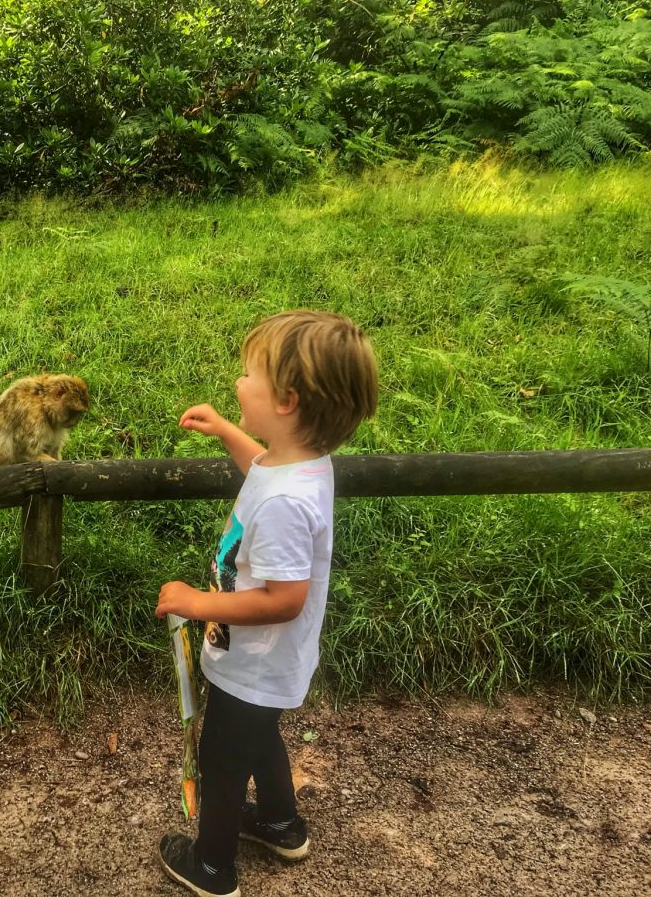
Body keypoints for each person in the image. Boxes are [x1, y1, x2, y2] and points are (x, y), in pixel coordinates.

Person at [155, 310, 379, 897]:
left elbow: (283, 599)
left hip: (255, 659)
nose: (237, 384)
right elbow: (262, 467)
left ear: (285, 400)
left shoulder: (285, 503)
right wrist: (230, 431)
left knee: (225, 757)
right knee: (258, 736)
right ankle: (282, 823)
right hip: (271, 660)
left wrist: (198, 602)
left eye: (248, 375)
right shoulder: (300, 462)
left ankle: (212, 866)